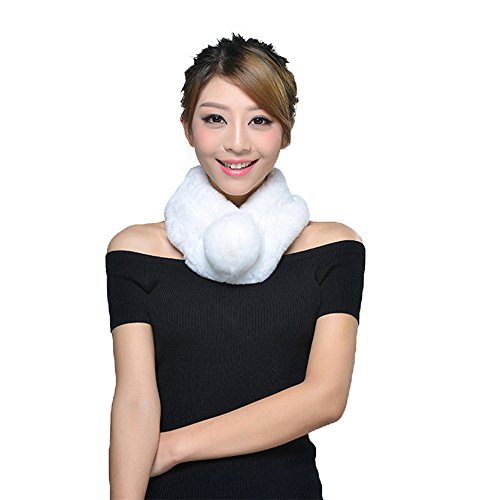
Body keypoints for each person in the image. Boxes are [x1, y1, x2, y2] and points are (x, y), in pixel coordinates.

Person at [105, 33, 366, 499]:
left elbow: (324, 397)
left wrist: (172, 448)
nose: (238, 143)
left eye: (260, 120)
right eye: (215, 119)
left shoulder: (333, 247)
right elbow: (135, 399)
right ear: (188, 128)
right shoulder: (137, 251)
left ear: (286, 131)